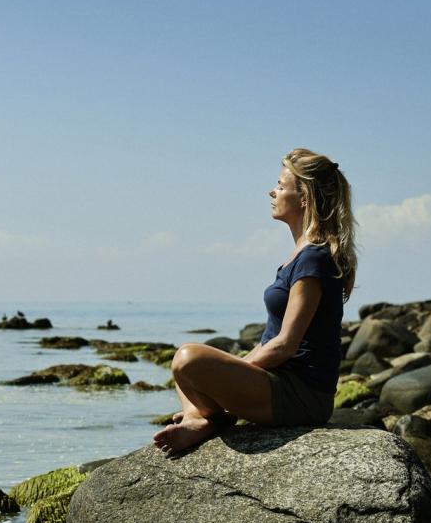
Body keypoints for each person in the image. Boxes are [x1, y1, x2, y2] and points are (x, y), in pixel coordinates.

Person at [153, 148, 357, 455]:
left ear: (304, 198)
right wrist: (227, 373)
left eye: (281, 186)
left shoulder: (314, 258)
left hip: (301, 394)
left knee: (188, 359)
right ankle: (201, 419)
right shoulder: (301, 256)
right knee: (185, 368)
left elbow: (284, 345)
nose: (272, 192)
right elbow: (269, 342)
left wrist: (229, 373)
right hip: (278, 382)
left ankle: (205, 419)